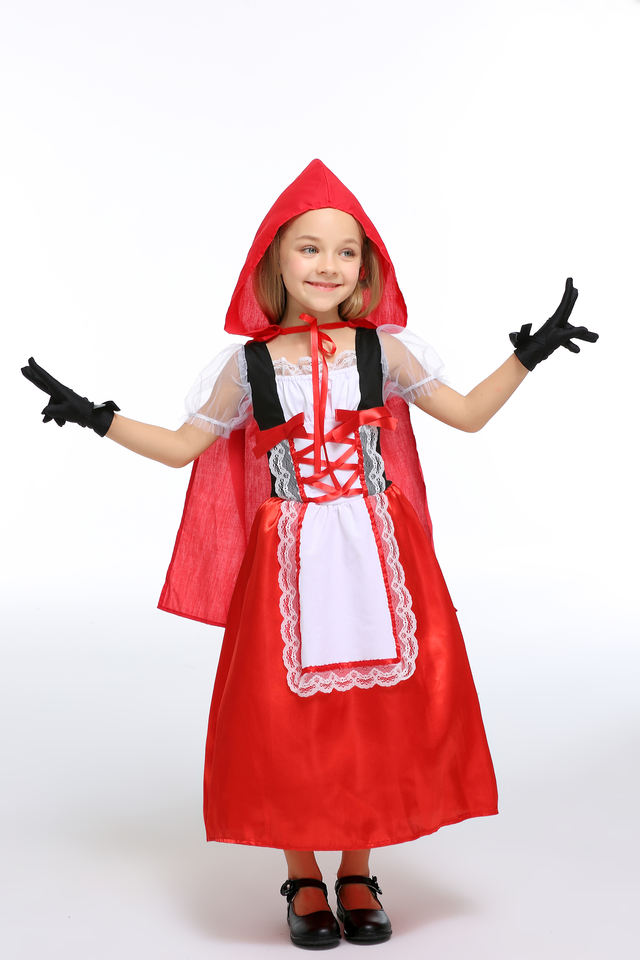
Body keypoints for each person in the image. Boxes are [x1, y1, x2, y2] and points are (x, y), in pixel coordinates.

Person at [21, 159, 598, 950]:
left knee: (378, 710)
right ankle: (301, 874)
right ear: (275, 261)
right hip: (289, 556)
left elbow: (465, 415)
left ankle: (357, 871)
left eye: (346, 251)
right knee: (285, 713)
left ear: (366, 268)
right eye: (310, 248)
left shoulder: (385, 353)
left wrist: (529, 355)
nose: (329, 265)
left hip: (380, 552)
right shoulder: (250, 365)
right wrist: (97, 417)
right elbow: (185, 446)